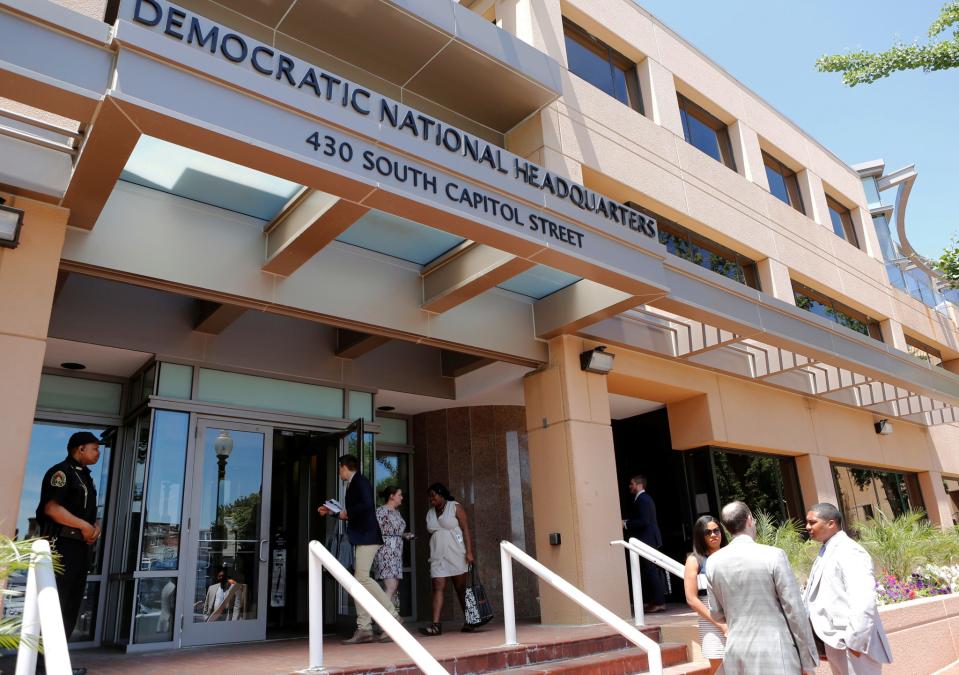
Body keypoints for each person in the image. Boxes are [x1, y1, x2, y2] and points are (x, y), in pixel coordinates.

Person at [705, 501, 818, 675]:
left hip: (737, 651)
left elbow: (716, 612)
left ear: (727, 528)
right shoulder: (773, 555)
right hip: (775, 650)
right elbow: (794, 610)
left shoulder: (713, 562)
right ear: (750, 520)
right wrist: (807, 660)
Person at [35, 430, 104, 675]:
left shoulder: (85, 477)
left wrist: (93, 526)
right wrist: (84, 525)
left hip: (79, 550)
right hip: (61, 546)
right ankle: (42, 668)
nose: (98, 452)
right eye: (94, 448)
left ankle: (57, 665)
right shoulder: (61, 473)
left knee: (70, 609)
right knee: (56, 606)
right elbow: (52, 509)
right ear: (80, 449)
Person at [318, 454, 400, 644]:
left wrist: (348, 512)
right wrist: (331, 512)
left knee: (361, 578)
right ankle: (365, 628)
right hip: (362, 536)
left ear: (345, 467)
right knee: (358, 580)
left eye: (340, 468)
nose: (339, 472)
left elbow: (367, 505)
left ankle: (391, 617)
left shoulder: (360, 481)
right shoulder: (354, 483)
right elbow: (352, 514)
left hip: (368, 536)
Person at [804, 503, 892, 674]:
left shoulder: (849, 550)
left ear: (831, 523)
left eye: (812, 522)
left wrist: (855, 642)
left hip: (852, 644)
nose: (807, 527)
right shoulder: (827, 550)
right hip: (836, 642)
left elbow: (863, 598)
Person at [419, 483, 475, 636]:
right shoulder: (430, 513)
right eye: (429, 496)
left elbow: (465, 529)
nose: (431, 499)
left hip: (456, 553)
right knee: (437, 587)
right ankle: (436, 625)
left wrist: (469, 552)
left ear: (441, 494)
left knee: (460, 589)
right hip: (437, 556)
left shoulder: (455, 507)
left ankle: (471, 620)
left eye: (433, 495)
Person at [683, 516, 727, 674]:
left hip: (736, 620)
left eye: (716, 530)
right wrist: (720, 624)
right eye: (708, 532)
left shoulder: (730, 555)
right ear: (700, 536)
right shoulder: (694, 560)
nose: (714, 535)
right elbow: (692, 599)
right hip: (711, 623)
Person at [622, 474, 665, 612]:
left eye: (632, 483)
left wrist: (626, 523)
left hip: (647, 540)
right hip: (649, 539)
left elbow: (644, 521)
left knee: (651, 570)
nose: (630, 486)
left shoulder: (642, 499)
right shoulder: (644, 499)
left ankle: (658, 602)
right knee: (650, 570)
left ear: (639, 485)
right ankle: (655, 601)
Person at [373, 486, 414, 609]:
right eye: (399, 495)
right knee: (391, 586)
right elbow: (375, 531)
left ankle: (384, 620)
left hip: (396, 553)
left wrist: (405, 535)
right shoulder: (380, 511)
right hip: (385, 551)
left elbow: (396, 531)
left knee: (393, 587)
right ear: (391, 496)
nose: (402, 497)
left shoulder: (397, 513)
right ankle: (383, 620)